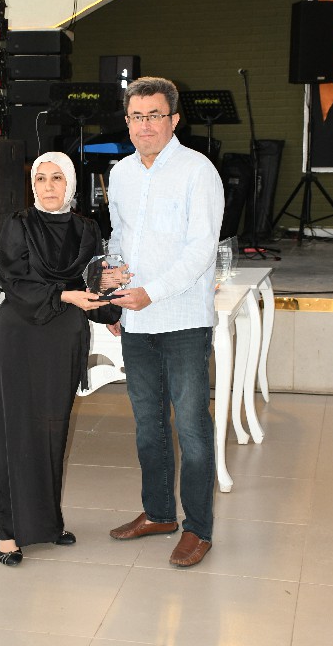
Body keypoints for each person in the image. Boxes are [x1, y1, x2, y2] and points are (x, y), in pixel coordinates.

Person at [106, 77, 224, 568]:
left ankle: (198, 529)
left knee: (192, 427)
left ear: (174, 120)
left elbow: (201, 251)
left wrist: (150, 293)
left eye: (155, 115)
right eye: (137, 116)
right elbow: (118, 237)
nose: (145, 126)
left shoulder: (198, 171)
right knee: (148, 425)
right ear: (127, 121)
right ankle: (158, 513)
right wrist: (112, 293)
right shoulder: (121, 173)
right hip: (134, 319)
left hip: (181, 318)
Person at [0, 152, 121, 566]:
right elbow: (15, 282)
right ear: (32, 185)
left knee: (52, 429)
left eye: (57, 178)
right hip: (21, 334)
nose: (48, 186)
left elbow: (91, 284)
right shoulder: (18, 224)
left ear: (71, 185)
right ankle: (8, 532)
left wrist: (110, 307)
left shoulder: (86, 229)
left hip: (63, 338)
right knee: (14, 432)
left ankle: (47, 523)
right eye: (41, 178)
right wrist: (67, 295)